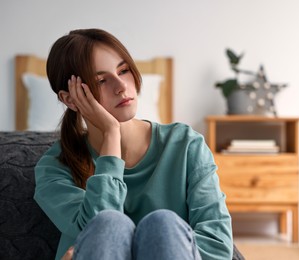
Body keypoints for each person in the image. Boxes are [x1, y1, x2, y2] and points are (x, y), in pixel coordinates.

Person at [33, 28, 233, 260]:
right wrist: (111, 134)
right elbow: (97, 233)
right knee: (108, 224)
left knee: (164, 224)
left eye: (124, 70)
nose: (121, 86)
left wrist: (162, 242)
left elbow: (218, 247)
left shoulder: (186, 146)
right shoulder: (55, 166)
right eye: (101, 80)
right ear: (70, 99)